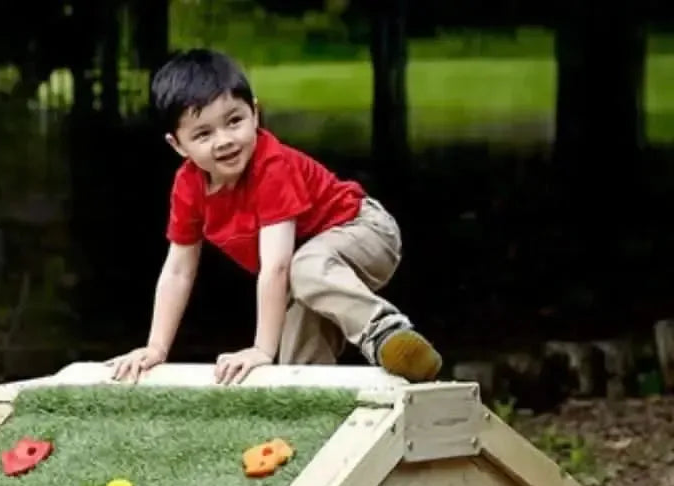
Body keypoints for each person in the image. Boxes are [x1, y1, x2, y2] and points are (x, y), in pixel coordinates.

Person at [107, 48, 443, 386]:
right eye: (203, 134)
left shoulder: (271, 167)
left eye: (234, 121)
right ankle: (317, 414)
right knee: (295, 367)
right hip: (308, 270)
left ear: (255, 113)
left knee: (303, 269)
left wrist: (260, 349)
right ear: (178, 145)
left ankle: (386, 333)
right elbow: (179, 269)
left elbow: (277, 265)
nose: (224, 140)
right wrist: (156, 348)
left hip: (364, 231)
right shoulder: (188, 186)